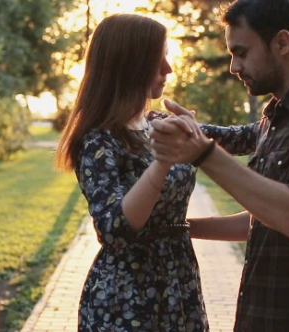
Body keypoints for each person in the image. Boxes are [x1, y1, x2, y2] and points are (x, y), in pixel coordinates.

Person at [149, 0, 289, 331]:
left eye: (242, 52)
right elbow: (262, 218)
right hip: (258, 318)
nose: (234, 66)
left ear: (281, 43)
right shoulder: (275, 116)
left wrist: (201, 152)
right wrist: (178, 230)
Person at [53, 14, 208, 332]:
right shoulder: (98, 139)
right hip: (126, 300)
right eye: (159, 58)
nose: (169, 68)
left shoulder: (158, 123)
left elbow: (242, 137)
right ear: (130, 64)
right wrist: (162, 161)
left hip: (179, 285)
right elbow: (115, 229)